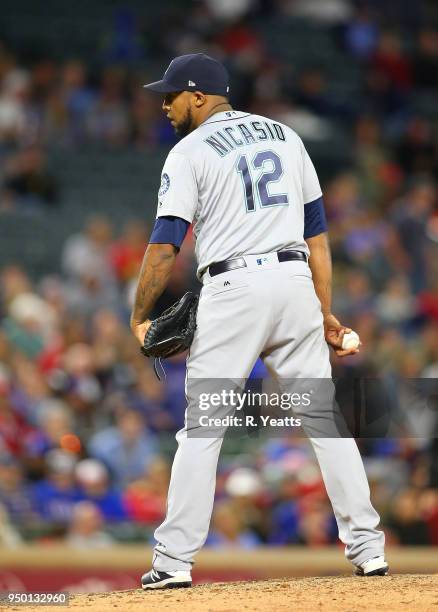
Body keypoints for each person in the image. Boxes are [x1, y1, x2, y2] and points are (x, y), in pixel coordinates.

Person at [130, 53, 387, 589]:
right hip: (295, 282)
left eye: (172, 93)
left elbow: (163, 246)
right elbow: (317, 238)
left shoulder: (189, 150)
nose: (164, 102)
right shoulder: (287, 136)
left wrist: (140, 315)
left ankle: (173, 563)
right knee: (325, 420)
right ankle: (369, 551)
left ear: (198, 95)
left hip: (234, 289)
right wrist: (325, 310)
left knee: (203, 429)